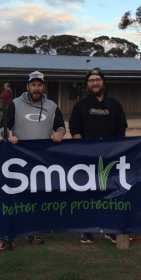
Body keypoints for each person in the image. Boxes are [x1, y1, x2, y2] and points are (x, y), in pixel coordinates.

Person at [0, 71, 66, 251]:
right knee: (16, 196)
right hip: (18, 159)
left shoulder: (52, 106)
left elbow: (60, 125)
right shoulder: (15, 104)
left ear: (43, 87)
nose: (36, 88)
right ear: (28, 86)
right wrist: (8, 137)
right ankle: (10, 232)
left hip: (43, 160)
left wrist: (59, 133)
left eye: (39, 85)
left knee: (38, 195)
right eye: (33, 85)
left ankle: (36, 230)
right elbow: (3, 126)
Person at [69, 68, 128, 244]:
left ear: (103, 82)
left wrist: (114, 149)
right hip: (87, 159)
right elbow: (74, 127)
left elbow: (121, 126)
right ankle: (86, 230)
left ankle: (109, 229)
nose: (95, 83)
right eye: (91, 80)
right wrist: (84, 148)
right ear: (87, 85)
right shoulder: (80, 104)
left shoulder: (114, 104)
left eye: (98, 80)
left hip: (110, 158)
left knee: (110, 192)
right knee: (87, 193)